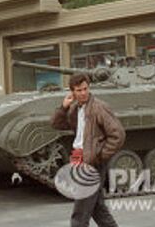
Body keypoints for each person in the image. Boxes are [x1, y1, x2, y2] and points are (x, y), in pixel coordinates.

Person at [52, 73, 125, 227]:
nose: (83, 93)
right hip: (79, 158)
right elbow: (57, 124)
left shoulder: (99, 107)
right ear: (72, 92)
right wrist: (63, 107)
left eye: (85, 89)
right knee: (98, 210)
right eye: (79, 90)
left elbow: (117, 135)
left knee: (79, 215)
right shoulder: (75, 109)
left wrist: (99, 155)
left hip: (92, 162)